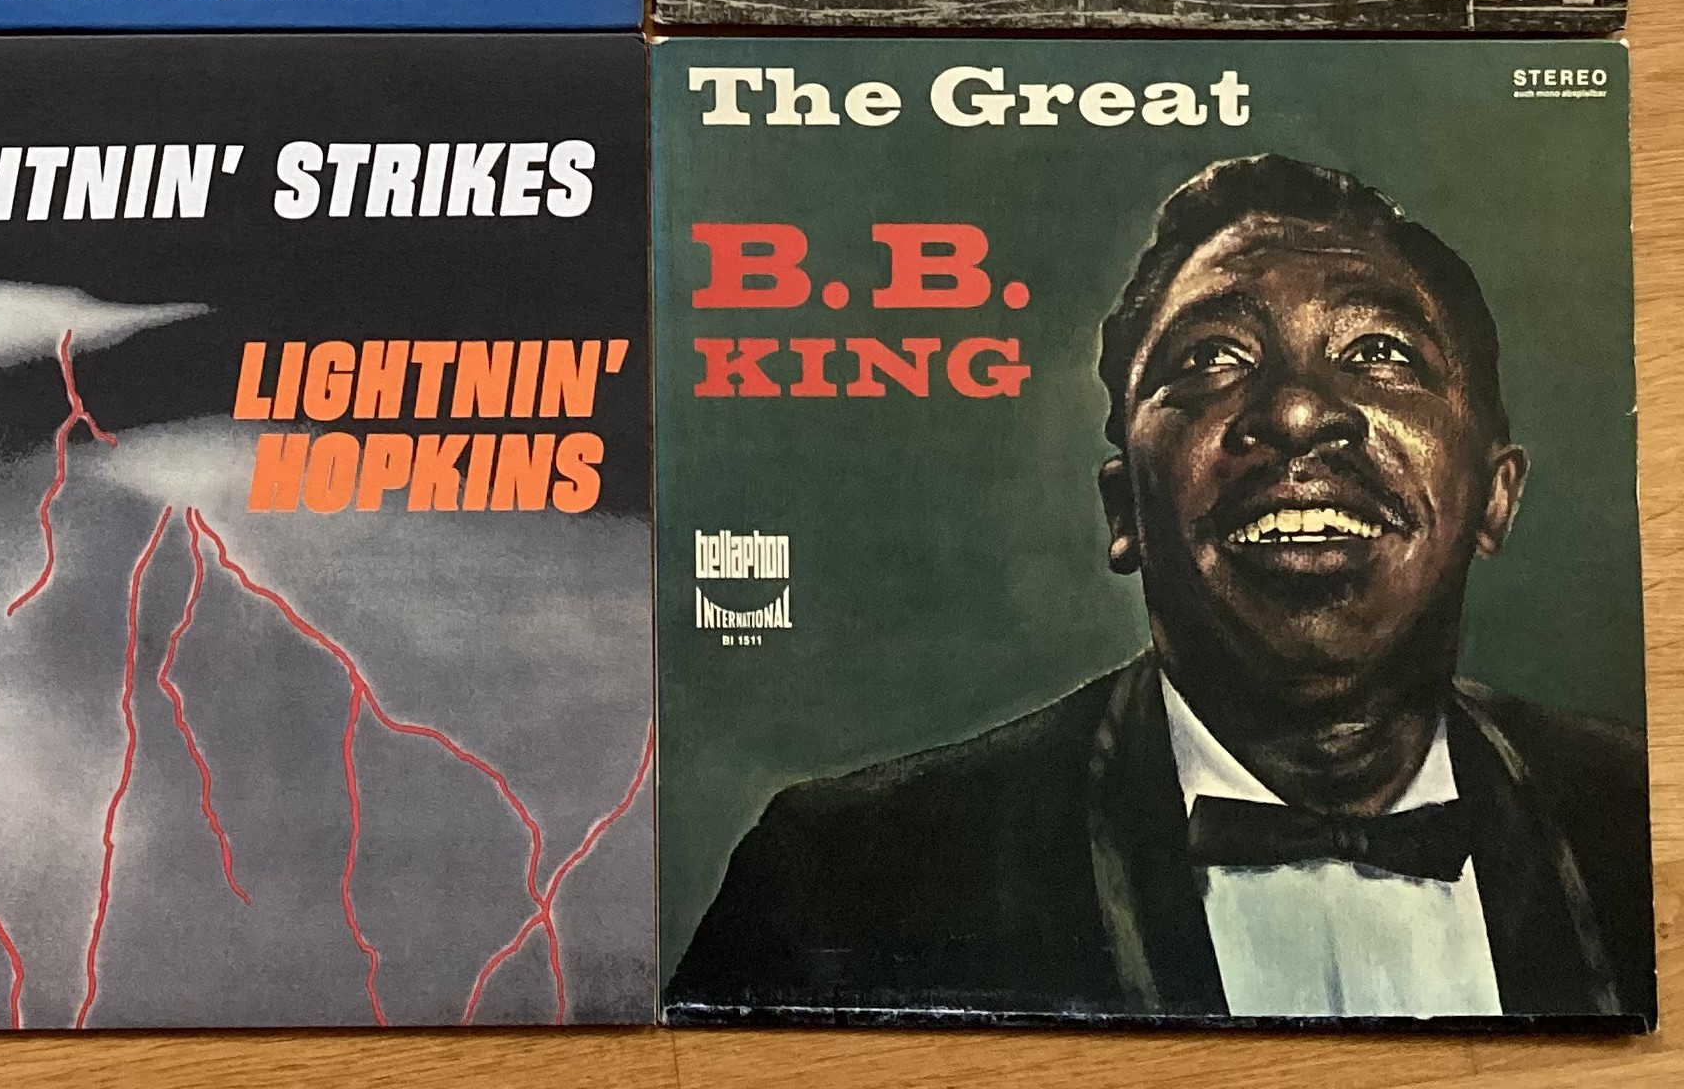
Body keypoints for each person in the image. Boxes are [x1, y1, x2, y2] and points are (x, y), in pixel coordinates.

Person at [673, 154, 1652, 1024]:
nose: (1298, 412)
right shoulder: (840, 883)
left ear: (1494, 496)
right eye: (1211, 358)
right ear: (1125, 512)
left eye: (1381, 353)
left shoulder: (1641, 818)